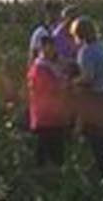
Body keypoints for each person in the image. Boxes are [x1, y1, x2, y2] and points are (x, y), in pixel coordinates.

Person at [72, 16, 103, 176]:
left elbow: (88, 78)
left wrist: (72, 82)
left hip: (95, 97)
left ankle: (100, 168)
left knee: (94, 134)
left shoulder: (86, 51)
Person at [26, 32, 72, 166]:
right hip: (45, 114)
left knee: (54, 144)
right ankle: (44, 171)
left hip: (56, 114)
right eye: (47, 48)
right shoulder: (39, 68)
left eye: (52, 47)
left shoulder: (56, 65)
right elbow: (48, 87)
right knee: (47, 144)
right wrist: (64, 84)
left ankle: (52, 171)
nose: (51, 51)